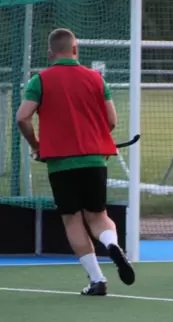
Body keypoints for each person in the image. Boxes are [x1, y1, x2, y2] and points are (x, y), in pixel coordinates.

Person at [16, 28, 135, 295]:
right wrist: (95, 140)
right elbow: (112, 120)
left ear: (50, 54)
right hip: (95, 159)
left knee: (72, 220)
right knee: (99, 216)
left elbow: (22, 117)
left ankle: (97, 280)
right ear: (75, 49)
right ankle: (112, 244)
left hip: (60, 163)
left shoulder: (41, 80)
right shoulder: (96, 78)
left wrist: (37, 146)